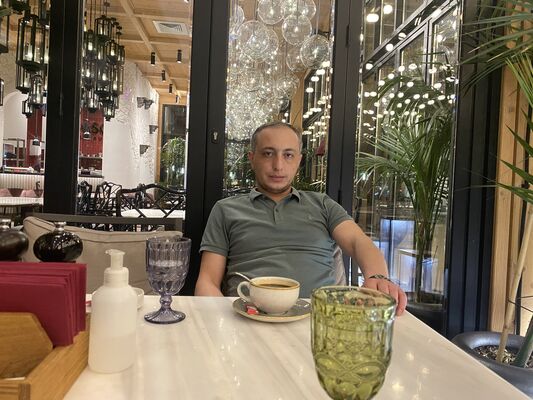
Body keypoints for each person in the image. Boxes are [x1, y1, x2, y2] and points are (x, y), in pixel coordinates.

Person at [195, 122, 406, 315]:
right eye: (268, 154)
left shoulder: (323, 205)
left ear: (299, 160)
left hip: (320, 320)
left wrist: (378, 278)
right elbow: (207, 281)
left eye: (288, 155)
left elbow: (357, 241)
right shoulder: (226, 210)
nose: (278, 165)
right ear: (252, 159)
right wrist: (225, 322)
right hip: (249, 319)